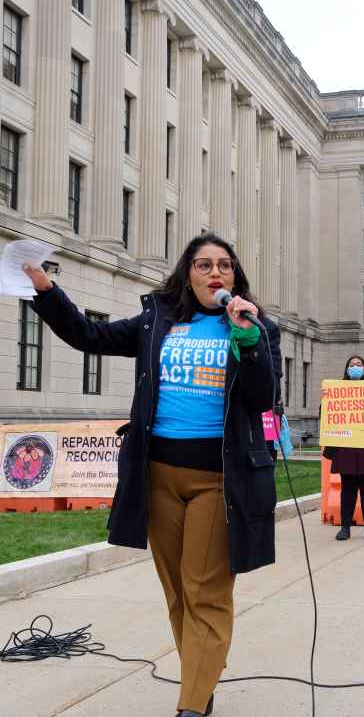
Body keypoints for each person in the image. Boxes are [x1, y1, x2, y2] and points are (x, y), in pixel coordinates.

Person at [24, 233, 281, 717]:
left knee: (206, 588)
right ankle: (201, 683)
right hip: (158, 474)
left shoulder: (253, 326)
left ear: (235, 276)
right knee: (179, 591)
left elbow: (262, 397)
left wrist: (249, 342)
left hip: (218, 480)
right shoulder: (157, 321)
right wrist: (46, 289)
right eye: (204, 265)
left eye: (224, 265)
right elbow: (89, 336)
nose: (215, 274)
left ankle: (190, 707)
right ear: (188, 274)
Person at [324, 355, 364, 541]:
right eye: (352, 365)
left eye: (359, 365)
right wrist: (325, 401)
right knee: (348, 489)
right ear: (346, 369)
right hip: (347, 446)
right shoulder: (337, 390)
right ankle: (345, 527)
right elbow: (327, 416)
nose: (355, 367)